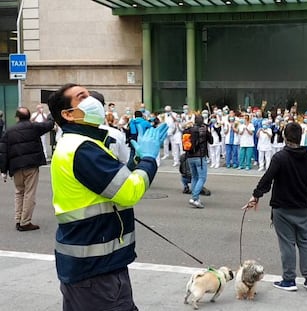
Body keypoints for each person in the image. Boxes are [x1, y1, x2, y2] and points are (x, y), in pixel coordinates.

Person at [47, 83, 167, 311]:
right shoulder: (82, 149)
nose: (91, 99)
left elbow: (112, 183)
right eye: (82, 97)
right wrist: (149, 160)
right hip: (95, 268)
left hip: (94, 265)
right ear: (68, 114)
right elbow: (129, 192)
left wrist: (136, 160)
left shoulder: (86, 144)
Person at [245, 122, 307, 292]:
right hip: (303, 207)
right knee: (305, 242)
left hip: (283, 208)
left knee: (287, 244)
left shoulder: (280, 157)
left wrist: (256, 195)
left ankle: (289, 280)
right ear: (301, 137)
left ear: (285, 137)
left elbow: (267, 178)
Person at [0, 107, 54, 231]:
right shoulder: (34, 127)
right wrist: (51, 113)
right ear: (29, 117)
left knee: (19, 192)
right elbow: (49, 125)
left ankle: (18, 219)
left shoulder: (9, 131)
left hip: (16, 166)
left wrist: (3, 170)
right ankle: (25, 221)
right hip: (31, 165)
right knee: (29, 193)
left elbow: (3, 152)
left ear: (17, 117)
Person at [185, 114, 213, 208]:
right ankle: (194, 198)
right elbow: (211, 141)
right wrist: (208, 131)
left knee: (194, 177)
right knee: (202, 178)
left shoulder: (189, 129)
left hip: (189, 156)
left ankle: (196, 198)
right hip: (200, 156)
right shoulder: (204, 130)